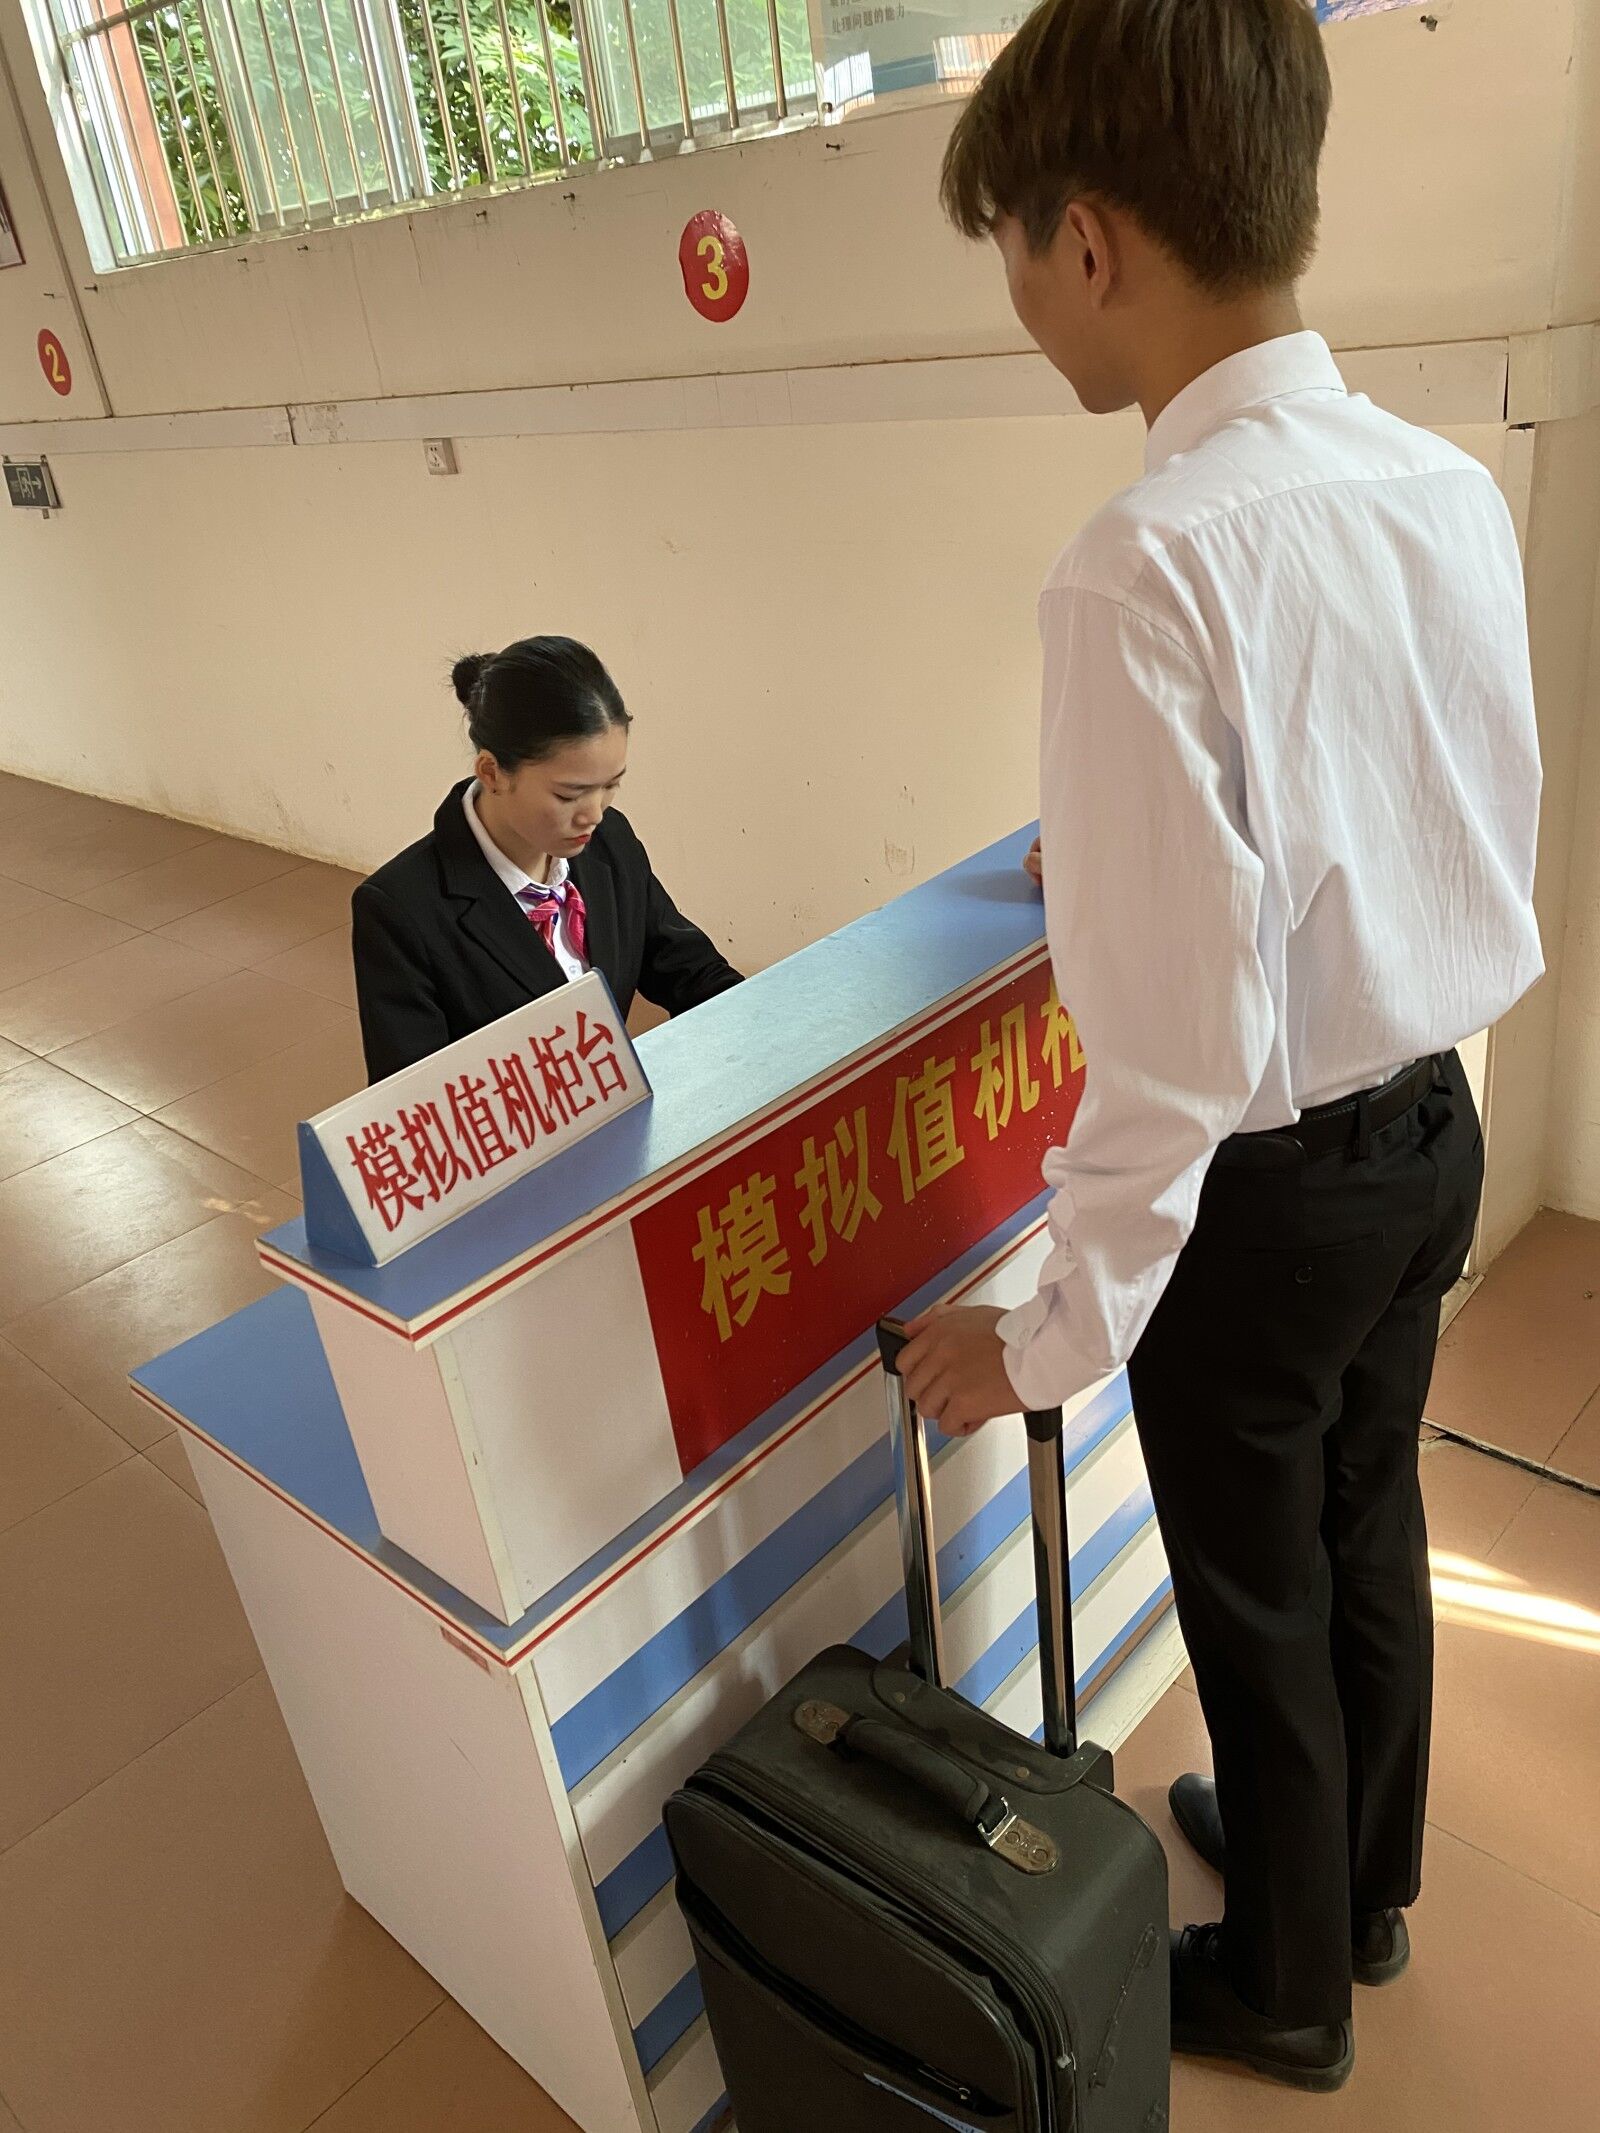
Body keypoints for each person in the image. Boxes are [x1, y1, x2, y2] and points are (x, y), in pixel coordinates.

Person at [898, 0, 1542, 2095]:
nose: (1018, 298)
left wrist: (1038, 1337)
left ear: (1085, 241)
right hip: (1431, 1129)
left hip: (1262, 1210)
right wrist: (1127, 855)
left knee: (1253, 1597)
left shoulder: (1140, 567)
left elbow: (1172, 1059)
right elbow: (1410, 801)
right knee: (1366, 1525)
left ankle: (1281, 1982)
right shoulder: (1441, 483)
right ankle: (1357, 1884)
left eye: (1011, 249)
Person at [352, 636, 742, 1082]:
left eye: (611, 785)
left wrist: (766, 1028)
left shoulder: (609, 842)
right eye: (569, 794)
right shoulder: (401, 909)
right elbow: (416, 1095)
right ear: (492, 772)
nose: (594, 814)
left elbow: (688, 970)